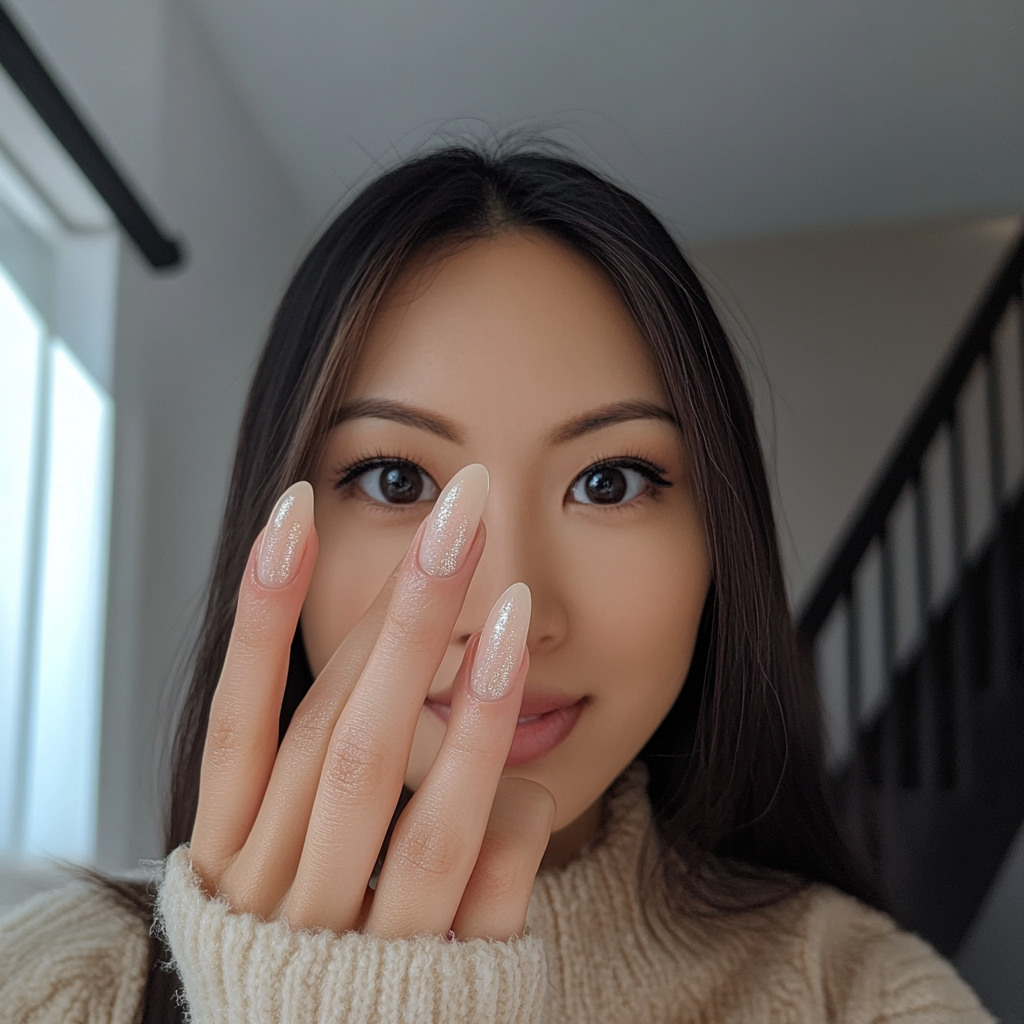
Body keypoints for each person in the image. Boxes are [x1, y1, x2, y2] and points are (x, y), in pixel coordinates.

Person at [0, 146, 992, 1024]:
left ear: (719, 541)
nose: (509, 618)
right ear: (278, 525)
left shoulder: (858, 993)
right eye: (397, 479)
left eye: (610, 481)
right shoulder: (62, 981)